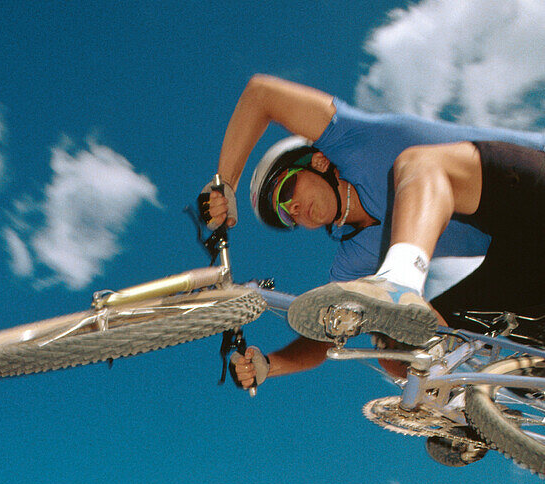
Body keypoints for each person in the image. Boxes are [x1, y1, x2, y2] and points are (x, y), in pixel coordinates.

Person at [199, 75, 545, 390]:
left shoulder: (356, 141)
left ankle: (401, 280)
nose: (293, 209)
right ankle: (469, 411)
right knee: (396, 348)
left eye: (288, 191)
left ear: (318, 162)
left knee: (418, 165)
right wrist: (271, 365)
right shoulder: (353, 261)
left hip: (533, 184)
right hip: (527, 257)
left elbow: (261, 93)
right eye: (285, 216)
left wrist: (224, 183)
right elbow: (327, 333)